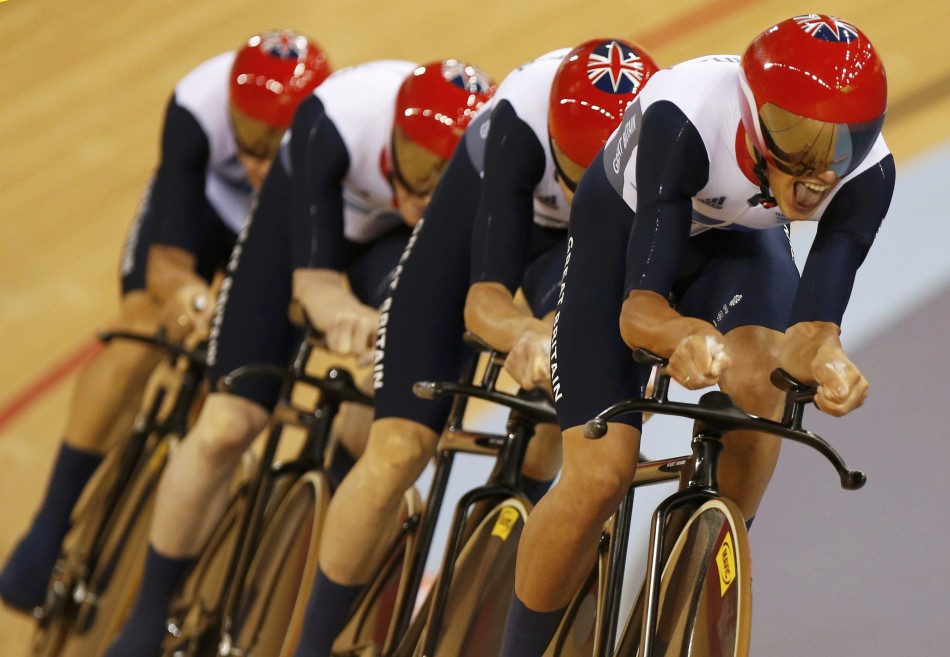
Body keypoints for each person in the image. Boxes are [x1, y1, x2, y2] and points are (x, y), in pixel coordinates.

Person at [498, 14, 896, 657]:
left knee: (765, 395)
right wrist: (681, 332)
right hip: (623, 232)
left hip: (739, 242)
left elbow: (810, 332)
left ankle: (693, 588)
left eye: (843, 144)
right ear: (751, 113)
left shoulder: (868, 178)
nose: (821, 171)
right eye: (798, 137)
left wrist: (829, 361)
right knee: (600, 476)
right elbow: (639, 312)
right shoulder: (684, 120)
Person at [103, 58, 496, 657]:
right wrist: (353, 318)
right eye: (418, 167)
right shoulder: (336, 121)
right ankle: (146, 617)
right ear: (391, 134)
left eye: (444, 179)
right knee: (228, 423)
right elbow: (314, 285)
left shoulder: (477, 180)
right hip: (300, 234)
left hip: (390, 250)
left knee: (384, 431)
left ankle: (325, 517)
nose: (424, 193)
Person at [291, 39, 658, 657]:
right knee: (399, 451)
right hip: (467, 235)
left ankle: (499, 558)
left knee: (574, 404)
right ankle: (309, 647)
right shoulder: (518, 125)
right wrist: (522, 332)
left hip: (568, 249)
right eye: (574, 173)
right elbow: (482, 299)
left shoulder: (660, 136)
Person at [0, 29, 331, 614]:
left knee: (235, 396)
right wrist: (188, 297)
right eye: (248, 139)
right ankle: (48, 526)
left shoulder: (332, 147)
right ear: (229, 111)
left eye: (274, 145)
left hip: (276, 234)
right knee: (136, 333)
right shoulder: (196, 107)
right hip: (203, 215)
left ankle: (182, 555)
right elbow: (167, 262)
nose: (257, 160)